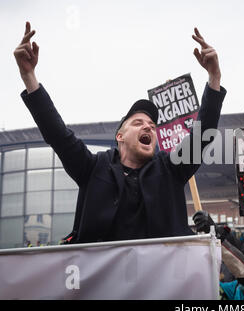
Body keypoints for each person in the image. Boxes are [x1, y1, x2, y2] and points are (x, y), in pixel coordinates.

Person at [14, 22, 226, 244]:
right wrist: (28, 76)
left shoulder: (170, 169)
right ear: (120, 137)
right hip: (101, 278)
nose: (148, 127)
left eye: (152, 126)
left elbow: (203, 134)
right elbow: (57, 133)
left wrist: (214, 78)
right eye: (138, 123)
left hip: (162, 278)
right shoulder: (92, 168)